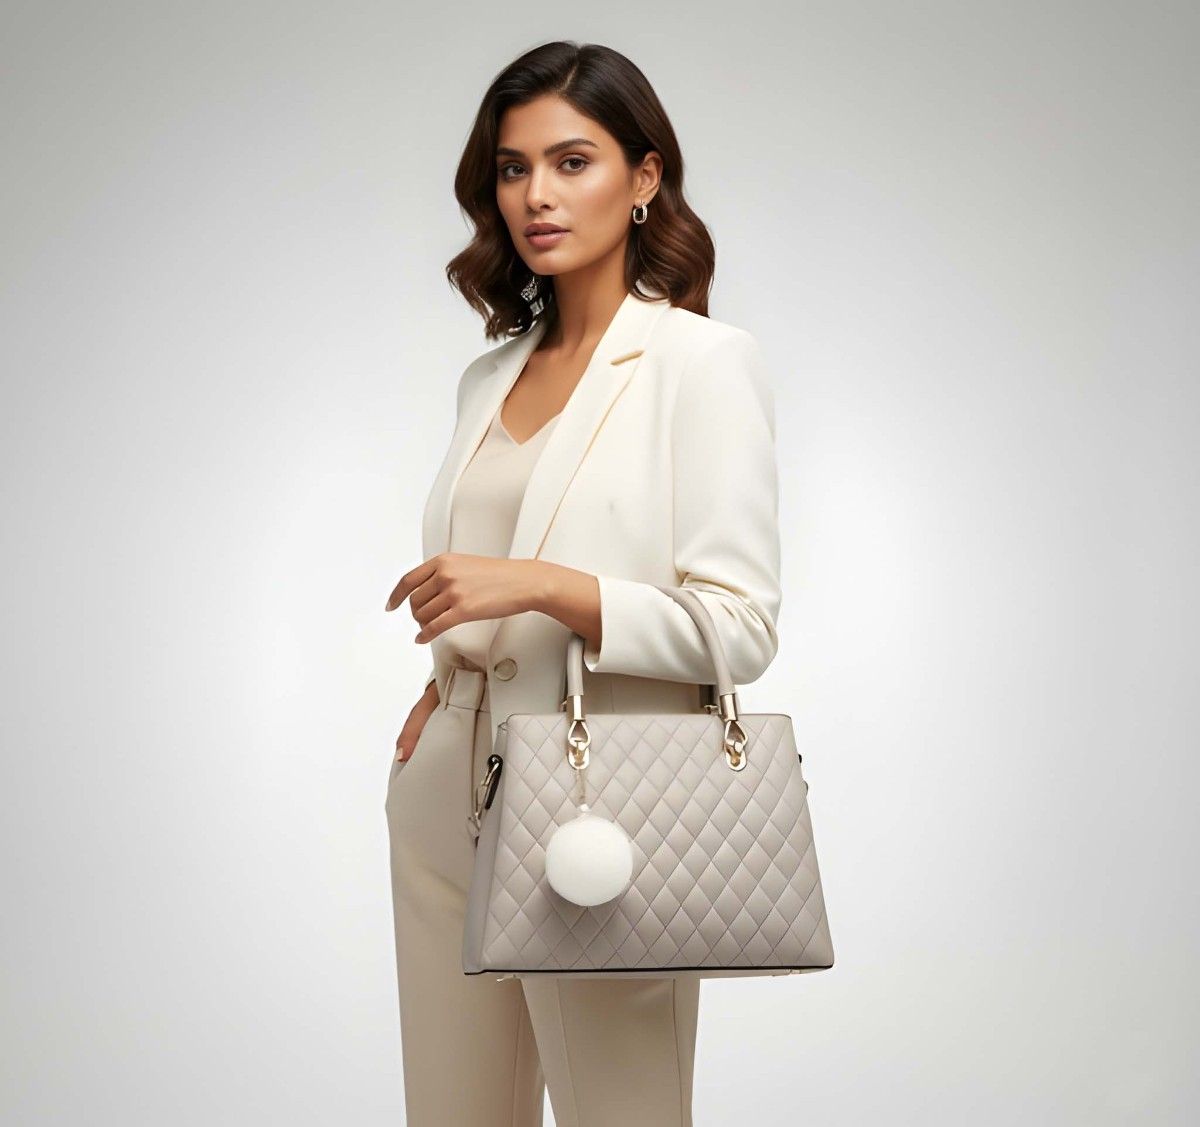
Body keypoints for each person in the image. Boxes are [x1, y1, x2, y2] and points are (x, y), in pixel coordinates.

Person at [382, 40, 782, 1127]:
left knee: (625, 1112)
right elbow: (476, 575)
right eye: (513, 169)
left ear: (644, 177)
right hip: (443, 798)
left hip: (600, 799)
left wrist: (544, 586)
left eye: (572, 161)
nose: (536, 195)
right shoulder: (488, 374)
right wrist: (447, 676)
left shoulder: (701, 363)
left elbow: (740, 628)